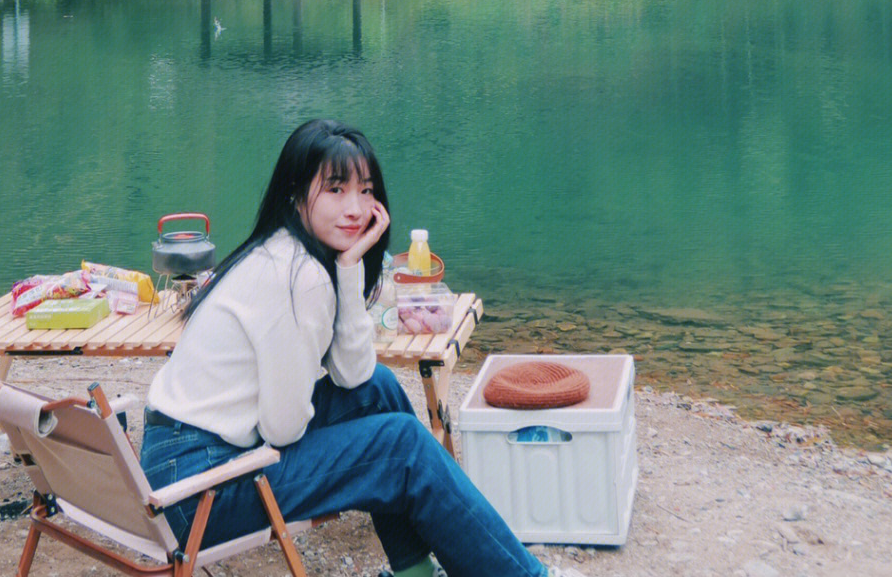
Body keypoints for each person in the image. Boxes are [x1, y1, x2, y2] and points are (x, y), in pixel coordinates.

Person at [140, 119, 584, 577]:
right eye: (335, 190)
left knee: (379, 389)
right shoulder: (296, 277)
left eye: (366, 190)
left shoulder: (289, 251)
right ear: (295, 193)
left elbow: (355, 376)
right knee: (404, 446)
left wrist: (351, 270)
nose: (355, 208)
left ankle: (415, 571)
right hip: (198, 493)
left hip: (180, 465)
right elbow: (283, 428)